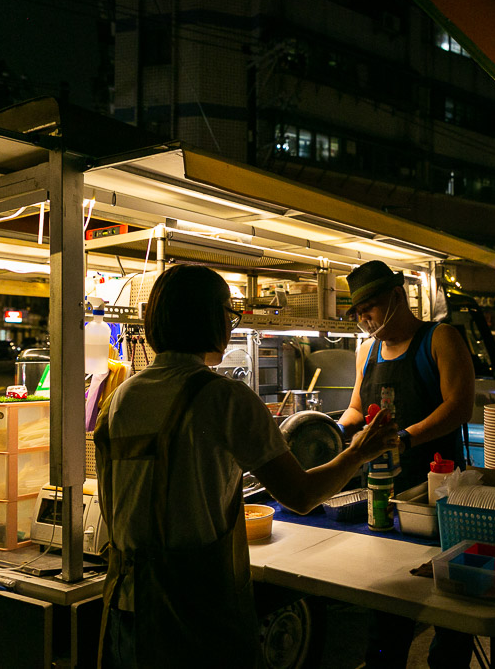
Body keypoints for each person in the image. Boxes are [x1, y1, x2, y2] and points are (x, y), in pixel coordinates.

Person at [93, 264, 399, 668]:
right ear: (209, 317)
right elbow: (302, 495)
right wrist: (359, 451)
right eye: (229, 313)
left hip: (125, 608)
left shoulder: (119, 399)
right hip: (196, 612)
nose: (231, 325)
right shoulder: (225, 398)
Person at [337, 260, 476, 669]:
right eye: (358, 311)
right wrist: (332, 430)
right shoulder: (367, 350)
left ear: (398, 297)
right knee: (387, 608)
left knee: (449, 612)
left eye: (371, 307)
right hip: (382, 493)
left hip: (438, 494)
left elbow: (459, 406)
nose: (364, 318)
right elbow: (356, 407)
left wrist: (405, 437)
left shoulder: (439, 338)